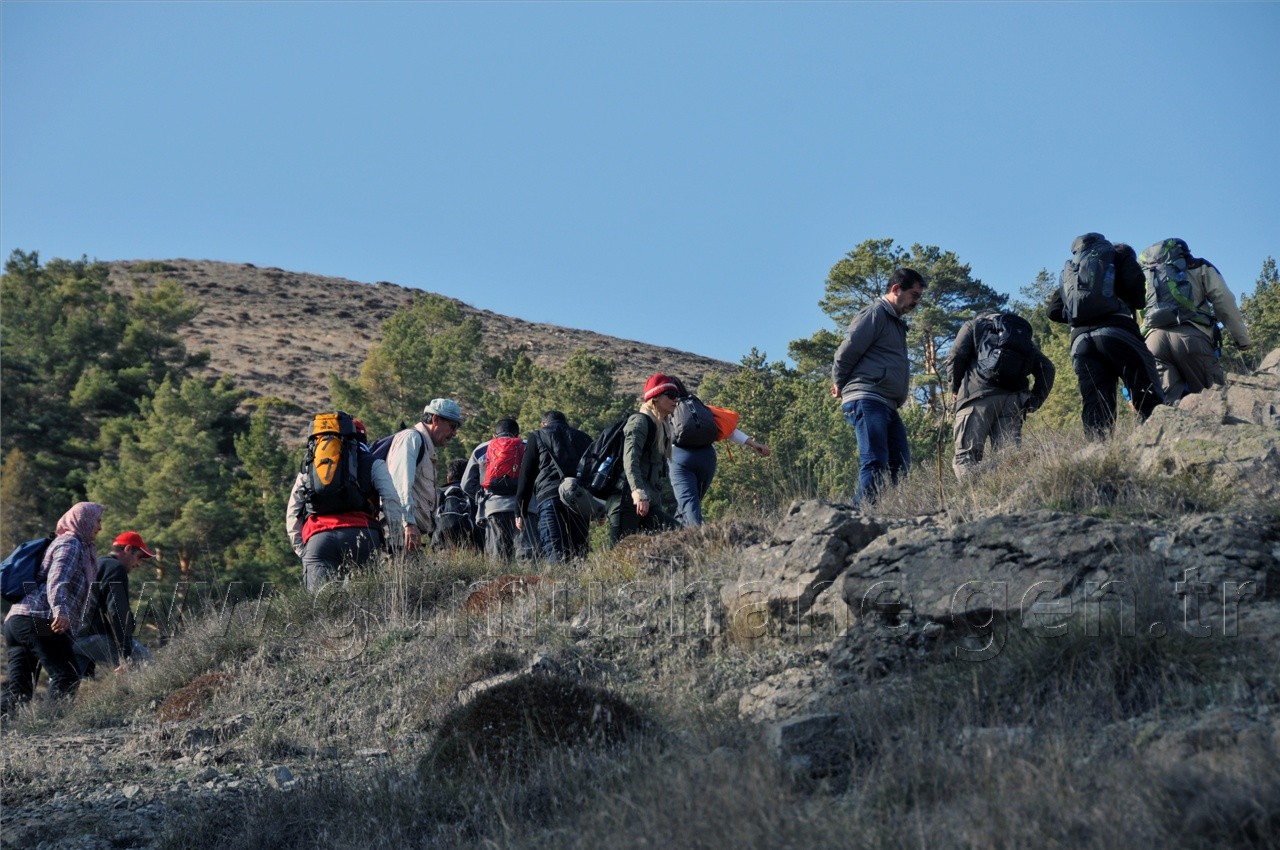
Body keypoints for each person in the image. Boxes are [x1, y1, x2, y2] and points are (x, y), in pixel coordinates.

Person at [1048, 233, 1163, 438]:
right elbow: (1139, 298)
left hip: (1081, 342)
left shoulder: (1072, 269)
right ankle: (1159, 440)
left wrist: (1083, 316)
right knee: (1145, 389)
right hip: (1117, 332)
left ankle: (1097, 452)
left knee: (1095, 403)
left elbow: (1052, 311)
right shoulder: (1120, 254)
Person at [831, 267, 927, 507]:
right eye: (915, 295)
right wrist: (838, 382)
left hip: (885, 402)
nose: (917, 302)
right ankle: (862, 514)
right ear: (896, 289)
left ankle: (888, 512)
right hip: (867, 396)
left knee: (900, 463)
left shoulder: (895, 322)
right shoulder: (875, 314)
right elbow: (847, 350)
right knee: (875, 460)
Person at [2, 502, 103, 716]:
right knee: (67, 674)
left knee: (19, 690)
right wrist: (60, 611)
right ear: (83, 520)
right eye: (97, 521)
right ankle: (50, 725)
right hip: (39, 618)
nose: (100, 527)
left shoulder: (74, 545)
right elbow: (57, 579)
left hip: (18, 620)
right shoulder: (71, 544)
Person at [286, 418, 406, 590]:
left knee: (322, 606)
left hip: (318, 540)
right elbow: (391, 499)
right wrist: (395, 541)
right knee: (366, 602)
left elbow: (293, 513)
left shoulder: (313, 467)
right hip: (363, 536)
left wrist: (302, 549)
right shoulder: (374, 463)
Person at [1141, 238, 1252, 404]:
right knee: (1213, 402)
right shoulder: (1199, 266)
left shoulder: (1147, 275)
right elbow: (1224, 300)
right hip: (1192, 337)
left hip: (1152, 342)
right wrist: (1242, 340)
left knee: (1168, 408)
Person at [947, 312, 1056, 477]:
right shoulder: (1016, 336)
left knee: (967, 457)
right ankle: (1011, 499)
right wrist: (1034, 401)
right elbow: (1047, 368)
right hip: (1012, 403)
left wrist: (954, 387)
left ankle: (974, 499)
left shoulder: (974, 326)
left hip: (977, 400)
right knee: (1010, 459)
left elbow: (956, 355)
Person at [668, 379, 771, 526]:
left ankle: (700, 540)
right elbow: (729, 430)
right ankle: (678, 536)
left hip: (680, 457)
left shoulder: (665, 411)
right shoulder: (698, 407)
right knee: (691, 503)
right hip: (707, 457)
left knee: (688, 501)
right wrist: (754, 444)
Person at [608, 373, 680, 546]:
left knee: (677, 537)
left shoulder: (662, 427)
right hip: (628, 500)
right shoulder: (639, 422)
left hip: (649, 502)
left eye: (676, 396)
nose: (675, 400)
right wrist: (639, 494)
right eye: (670, 395)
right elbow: (630, 460)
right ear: (655, 398)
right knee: (619, 556)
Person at [385, 398, 464, 552]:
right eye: (452, 426)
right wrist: (408, 522)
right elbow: (399, 484)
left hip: (408, 532)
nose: (454, 433)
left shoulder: (424, 446)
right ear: (435, 419)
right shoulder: (411, 439)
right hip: (400, 531)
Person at [73, 530, 155, 676]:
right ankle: (147, 699)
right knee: (145, 662)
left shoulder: (96, 563)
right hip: (90, 636)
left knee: (65, 683)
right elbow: (117, 611)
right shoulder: (115, 568)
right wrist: (126, 655)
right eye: (139, 557)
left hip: (70, 636)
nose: (138, 564)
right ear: (128, 549)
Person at [515, 410, 594, 562]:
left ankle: (559, 585)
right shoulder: (583, 437)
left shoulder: (537, 436)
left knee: (554, 548)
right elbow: (593, 471)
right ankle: (581, 583)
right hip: (577, 498)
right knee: (580, 551)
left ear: (543, 424)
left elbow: (526, 474)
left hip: (549, 496)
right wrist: (597, 509)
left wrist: (520, 510)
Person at [461, 418, 523, 563]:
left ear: (494, 435)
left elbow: (466, 484)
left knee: (498, 557)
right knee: (525, 557)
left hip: (493, 508)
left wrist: (481, 496)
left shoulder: (481, 449)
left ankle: (500, 585)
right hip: (523, 509)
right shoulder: (525, 446)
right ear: (517, 434)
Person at [435, 459, 482, 551]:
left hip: (442, 545)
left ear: (448, 478)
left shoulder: (438, 493)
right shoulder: (473, 493)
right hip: (473, 544)